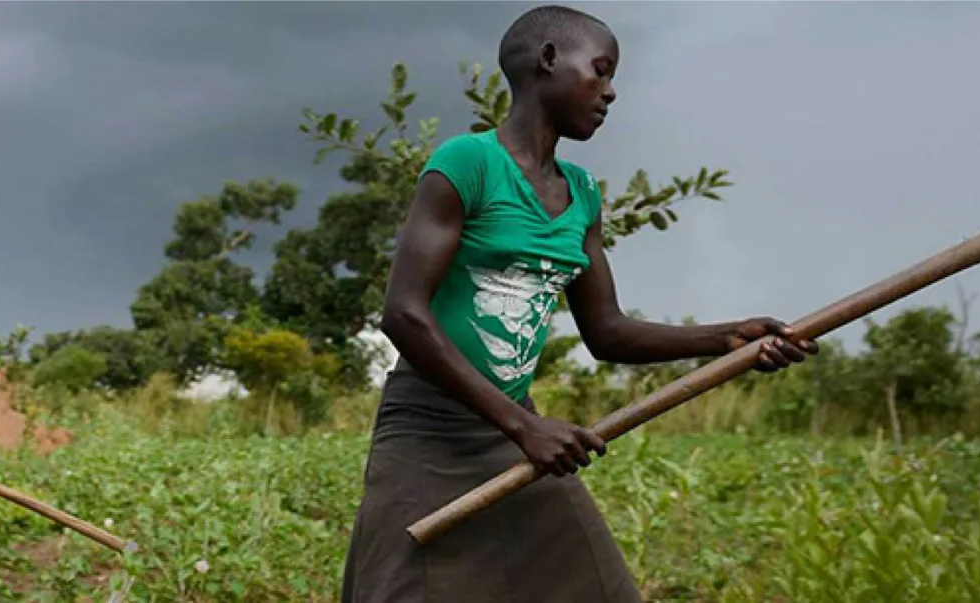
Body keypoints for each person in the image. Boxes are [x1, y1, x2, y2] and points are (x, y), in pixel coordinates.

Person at [339, 6, 817, 602]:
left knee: (597, 588)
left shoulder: (583, 195)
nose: (611, 92)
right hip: (428, 431)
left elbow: (607, 331)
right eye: (602, 70)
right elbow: (404, 313)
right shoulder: (467, 163)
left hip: (510, 434)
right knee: (402, 588)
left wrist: (727, 338)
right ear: (547, 61)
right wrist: (525, 426)